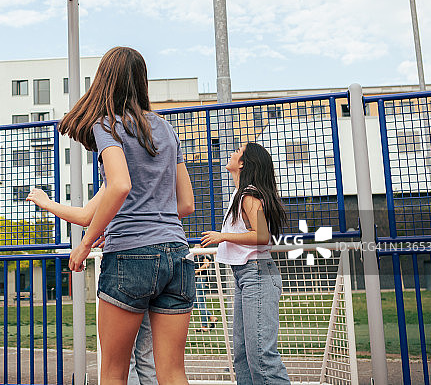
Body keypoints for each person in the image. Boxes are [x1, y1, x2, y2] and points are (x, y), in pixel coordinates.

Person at [26, 46, 195, 385]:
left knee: (114, 372)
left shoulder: (109, 126)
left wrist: (86, 244)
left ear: (105, 80)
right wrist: (47, 203)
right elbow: (186, 204)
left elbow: (119, 186)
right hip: (176, 253)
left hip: (131, 257)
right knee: (173, 372)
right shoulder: (165, 129)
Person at [201, 142, 290, 385]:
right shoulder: (241, 194)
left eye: (237, 151)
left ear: (243, 163)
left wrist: (222, 236)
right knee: (242, 355)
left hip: (257, 275)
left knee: (261, 356)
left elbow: (262, 236)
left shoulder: (249, 195)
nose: (232, 153)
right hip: (244, 276)